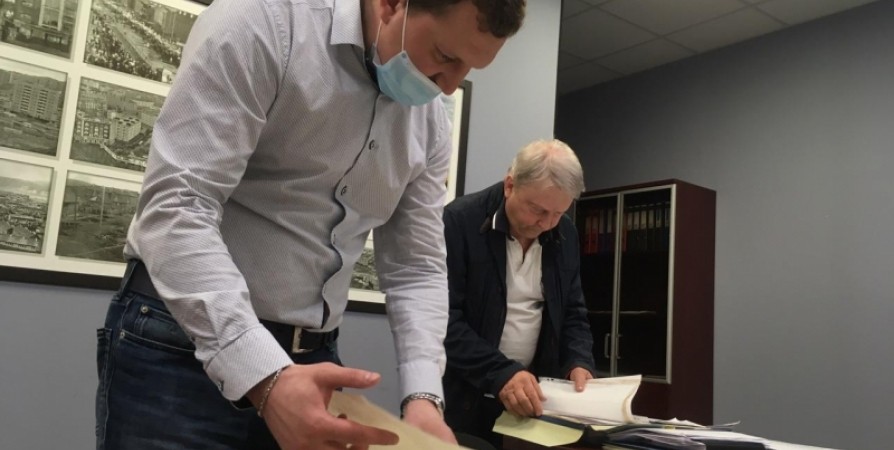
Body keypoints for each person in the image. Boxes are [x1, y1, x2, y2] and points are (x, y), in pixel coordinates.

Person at [94, 0, 526, 449]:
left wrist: (424, 398)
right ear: (392, 4)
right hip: (179, 349)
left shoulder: (429, 123)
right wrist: (265, 375)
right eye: (445, 56)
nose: (449, 87)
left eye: (468, 70)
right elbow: (178, 205)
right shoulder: (264, 21)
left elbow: (416, 267)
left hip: (312, 359)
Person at [442, 139, 596, 446]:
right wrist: (501, 373)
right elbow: (443, 320)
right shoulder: (459, 222)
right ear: (510, 185)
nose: (546, 224)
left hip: (532, 403)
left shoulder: (564, 232)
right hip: (465, 398)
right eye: (538, 210)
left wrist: (578, 361)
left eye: (558, 213)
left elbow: (573, 312)